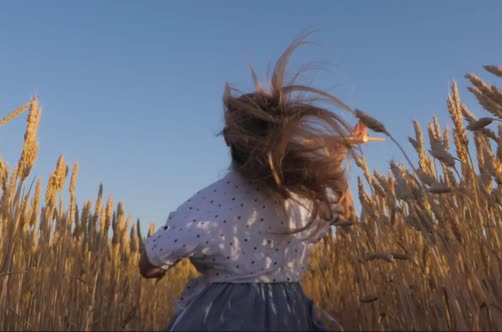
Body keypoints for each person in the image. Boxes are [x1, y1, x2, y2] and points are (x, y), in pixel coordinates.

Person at [139, 36, 362, 331]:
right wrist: (335, 168)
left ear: (230, 141)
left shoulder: (207, 205)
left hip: (220, 318)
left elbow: (150, 266)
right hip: (289, 316)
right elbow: (346, 218)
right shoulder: (300, 201)